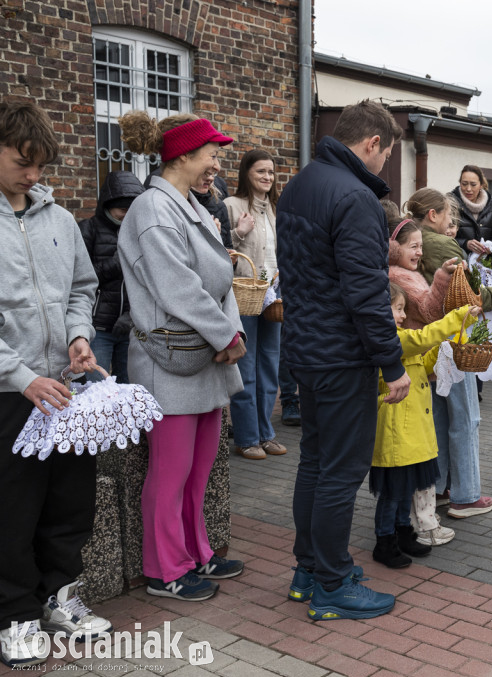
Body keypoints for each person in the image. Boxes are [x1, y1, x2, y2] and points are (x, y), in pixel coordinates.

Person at [276, 100, 408, 620]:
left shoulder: (302, 182)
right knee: (341, 470)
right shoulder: (355, 197)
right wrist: (391, 363)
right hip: (342, 354)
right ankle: (331, 584)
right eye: (385, 155)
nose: (383, 167)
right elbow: (366, 294)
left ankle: (309, 569)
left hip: (306, 348)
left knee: (314, 460)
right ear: (372, 143)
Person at [117, 110, 246, 603]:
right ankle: (165, 569)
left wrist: (228, 332)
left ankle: (197, 552)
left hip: (200, 356)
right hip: (173, 361)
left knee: (198, 470)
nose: (217, 162)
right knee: (169, 474)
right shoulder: (153, 209)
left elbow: (218, 278)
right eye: (212, 153)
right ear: (184, 154)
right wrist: (227, 335)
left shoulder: (187, 203)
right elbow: (180, 290)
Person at [0, 101, 109, 669]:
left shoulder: (60, 220)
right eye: (23, 162)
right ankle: (14, 613)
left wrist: (77, 336)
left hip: (64, 387)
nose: (34, 176)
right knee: (12, 506)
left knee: (70, 498)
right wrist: (20, 378)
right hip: (7, 395)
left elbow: (81, 289)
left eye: (42, 165)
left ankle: (59, 595)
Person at [405, 189, 492, 522]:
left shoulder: (409, 242)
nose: (453, 224)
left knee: (438, 418)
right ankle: (467, 495)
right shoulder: (441, 245)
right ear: (433, 215)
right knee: (465, 418)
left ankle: (437, 488)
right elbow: (467, 290)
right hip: (452, 340)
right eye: (450, 217)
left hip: (426, 344)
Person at [371, 282, 479, 566]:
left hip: (413, 432)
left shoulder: (399, 337)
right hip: (398, 432)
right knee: (392, 493)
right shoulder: (388, 339)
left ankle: (403, 533)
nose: (403, 316)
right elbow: (419, 340)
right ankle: (384, 541)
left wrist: (444, 348)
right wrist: (458, 317)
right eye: (398, 309)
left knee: (405, 489)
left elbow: (423, 359)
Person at [224, 149, 286, 461]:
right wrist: (238, 233)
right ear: (247, 172)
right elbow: (219, 251)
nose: (266, 177)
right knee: (246, 368)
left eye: (271, 173)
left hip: (273, 295)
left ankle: (266, 433)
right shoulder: (231, 206)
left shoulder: (277, 208)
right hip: (244, 295)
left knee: (269, 368)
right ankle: (247, 436)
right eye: (260, 171)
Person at [77, 170, 145, 383]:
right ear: (107, 205)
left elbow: (149, 281)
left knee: (128, 393)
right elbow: (79, 280)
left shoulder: (143, 233)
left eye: (132, 209)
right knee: (95, 391)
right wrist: (115, 264)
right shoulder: (89, 229)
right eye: (122, 209)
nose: (127, 214)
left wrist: (131, 315)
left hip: (131, 328)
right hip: (98, 329)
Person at [452, 164, 492, 255]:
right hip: (459, 262)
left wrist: (491, 248)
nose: (468, 189)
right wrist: (465, 243)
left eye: (473, 184)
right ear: (460, 183)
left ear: (481, 185)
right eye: (464, 184)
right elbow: (444, 237)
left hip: (485, 263)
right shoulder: (451, 204)